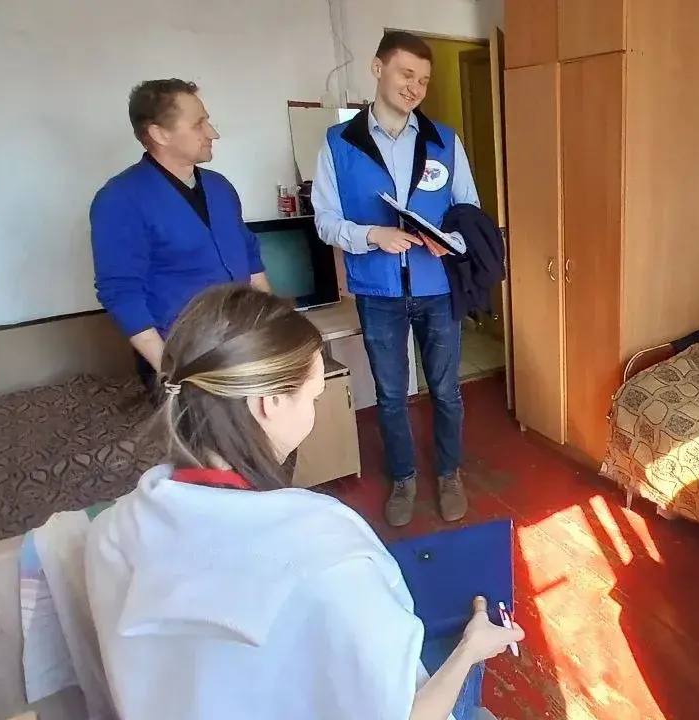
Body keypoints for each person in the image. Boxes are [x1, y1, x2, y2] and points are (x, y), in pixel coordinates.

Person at [85, 285, 523, 720]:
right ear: (271, 402)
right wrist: (470, 650)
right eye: (314, 396)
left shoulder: (110, 530)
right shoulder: (325, 551)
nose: (314, 409)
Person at [312, 31, 481, 526]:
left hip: (437, 288)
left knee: (446, 391)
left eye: (423, 80)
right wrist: (373, 235)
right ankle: (404, 477)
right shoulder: (339, 143)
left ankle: (448, 472)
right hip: (378, 292)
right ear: (377, 68)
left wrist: (450, 239)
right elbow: (325, 221)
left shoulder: (444, 140)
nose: (415, 88)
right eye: (407, 74)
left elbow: (468, 209)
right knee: (390, 395)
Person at [90, 79, 270, 387]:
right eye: (199, 124)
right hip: (182, 356)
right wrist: (171, 372)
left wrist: (274, 329)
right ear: (159, 133)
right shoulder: (120, 199)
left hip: (240, 342)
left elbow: (250, 259)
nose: (212, 133)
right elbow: (120, 292)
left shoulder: (220, 187)